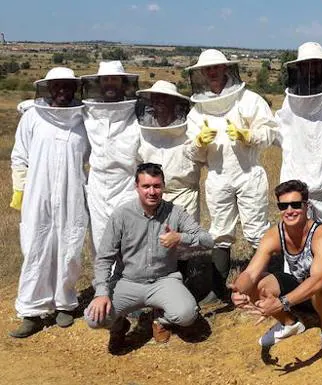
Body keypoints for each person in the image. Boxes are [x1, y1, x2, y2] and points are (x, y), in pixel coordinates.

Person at [84, 163, 214, 353]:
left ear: (163, 186)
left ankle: (161, 319)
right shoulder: (121, 215)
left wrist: (180, 238)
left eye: (157, 186)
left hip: (164, 280)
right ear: (136, 187)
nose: (152, 192)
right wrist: (102, 293)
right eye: (146, 186)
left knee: (187, 315)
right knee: (94, 318)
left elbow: (208, 240)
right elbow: (104, 258)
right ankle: (119, 327)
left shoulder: (175, 212)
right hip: (127, 281)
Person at [185, 49, 278, 299]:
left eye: (216, 67)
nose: (212, 72)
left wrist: (250, 136)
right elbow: (191, 153)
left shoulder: (249, 100)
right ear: (202, 73)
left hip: (250, 173)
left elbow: (270, 132)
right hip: (217, 176)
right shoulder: (197, 110)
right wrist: (199, 143)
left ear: (226, 69)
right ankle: (217, 288)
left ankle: (265, 284)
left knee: (257, 230)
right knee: (220, 232)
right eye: (207, 69)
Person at [229, 180, 322, 364]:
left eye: (296, 204)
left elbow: (319, 279)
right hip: (299, 293)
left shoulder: (321, 233)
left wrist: (282, 302)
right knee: (258, 283)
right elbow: (251, 273)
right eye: (283, 205)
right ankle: (290, 324)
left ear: (306, 206)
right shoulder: (275, 234)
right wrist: (239, 291)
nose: (289, 210)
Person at [9, 67, 90, 337]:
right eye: (57, 86)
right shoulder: (33, 117)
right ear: (48, 88)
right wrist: (19, 190)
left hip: (72, 192)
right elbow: (20, 156)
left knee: (70, 245)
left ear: (75, 89)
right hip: (38, 193)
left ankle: (64, 303)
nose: (63, 91)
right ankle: (31, 311)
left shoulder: (82, 120)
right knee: (36, 247)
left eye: (68, 86)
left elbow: (94, 157)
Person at [135, 81, 211, 303]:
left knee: (182, 246)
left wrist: (200, 143)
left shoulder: (188, 128)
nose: (160, 103)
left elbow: (200, 156)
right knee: (152, 243)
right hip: (154, 195)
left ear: (175, 103)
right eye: (156, 99)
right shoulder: (143, 130)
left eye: (165, 98)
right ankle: (154, 294)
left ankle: (182, 291)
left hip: (184, 192)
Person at [275, 42, 322, 236]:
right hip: (295, 183)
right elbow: (277, 132)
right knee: (295, 233)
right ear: (298, 69)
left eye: (315, 64)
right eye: (306, 65)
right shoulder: (289, 100)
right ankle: (295, 267)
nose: (311, 70)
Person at [81, 61, 141, 254]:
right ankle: (104, 283)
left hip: (127, 183)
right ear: (99, 84)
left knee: (128, 238)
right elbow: (62, 113)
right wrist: (33, 107)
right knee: (100, 238)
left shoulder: (137, 112)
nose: (110, 83)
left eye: (114, 79)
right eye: (105, 79)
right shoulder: (89, 112)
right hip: (98, 184)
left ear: (123, 83)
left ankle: (127, 282)